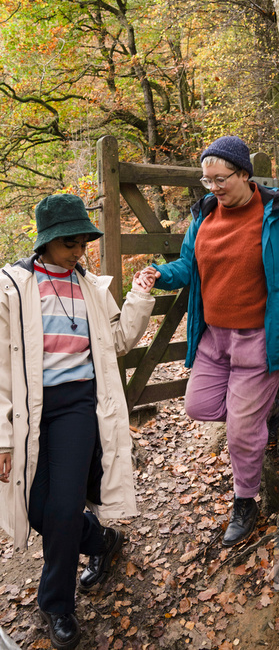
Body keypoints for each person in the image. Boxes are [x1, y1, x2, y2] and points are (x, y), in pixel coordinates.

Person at [147, 135, 279, 548]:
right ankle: (269, 407)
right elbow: (187, 266)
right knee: (199, 406)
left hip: (259, 340)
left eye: (221, 179)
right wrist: (157, 274)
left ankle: (244, 501)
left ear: (244, 174)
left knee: (242, 432)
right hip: (212, 338)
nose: (214, 188)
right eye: (207, 181)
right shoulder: (204, 215)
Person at [0, 194, 156, 650]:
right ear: (47, 242)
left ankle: (57, 605)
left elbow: (120, 341)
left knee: (64, 507)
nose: (79, 252)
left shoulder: (91, 286)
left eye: (84, 242)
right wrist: (4, 440)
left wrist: (141, 296)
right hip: (30, 411)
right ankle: (101, 541)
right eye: (70, 243)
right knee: (38, 508)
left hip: (77, 406)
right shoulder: (12, 287)